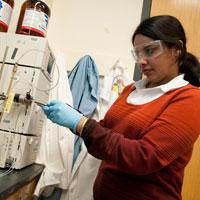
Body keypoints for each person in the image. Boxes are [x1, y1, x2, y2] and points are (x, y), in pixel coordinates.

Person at [42, 15, 200, 200]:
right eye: (138, 53)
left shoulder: (190, 98)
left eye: (150, 51)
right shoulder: (132, 89)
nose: (141, 61)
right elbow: (104, 133)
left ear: (177, 49)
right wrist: (73, 117)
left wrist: (81, 123)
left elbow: (143, 157)